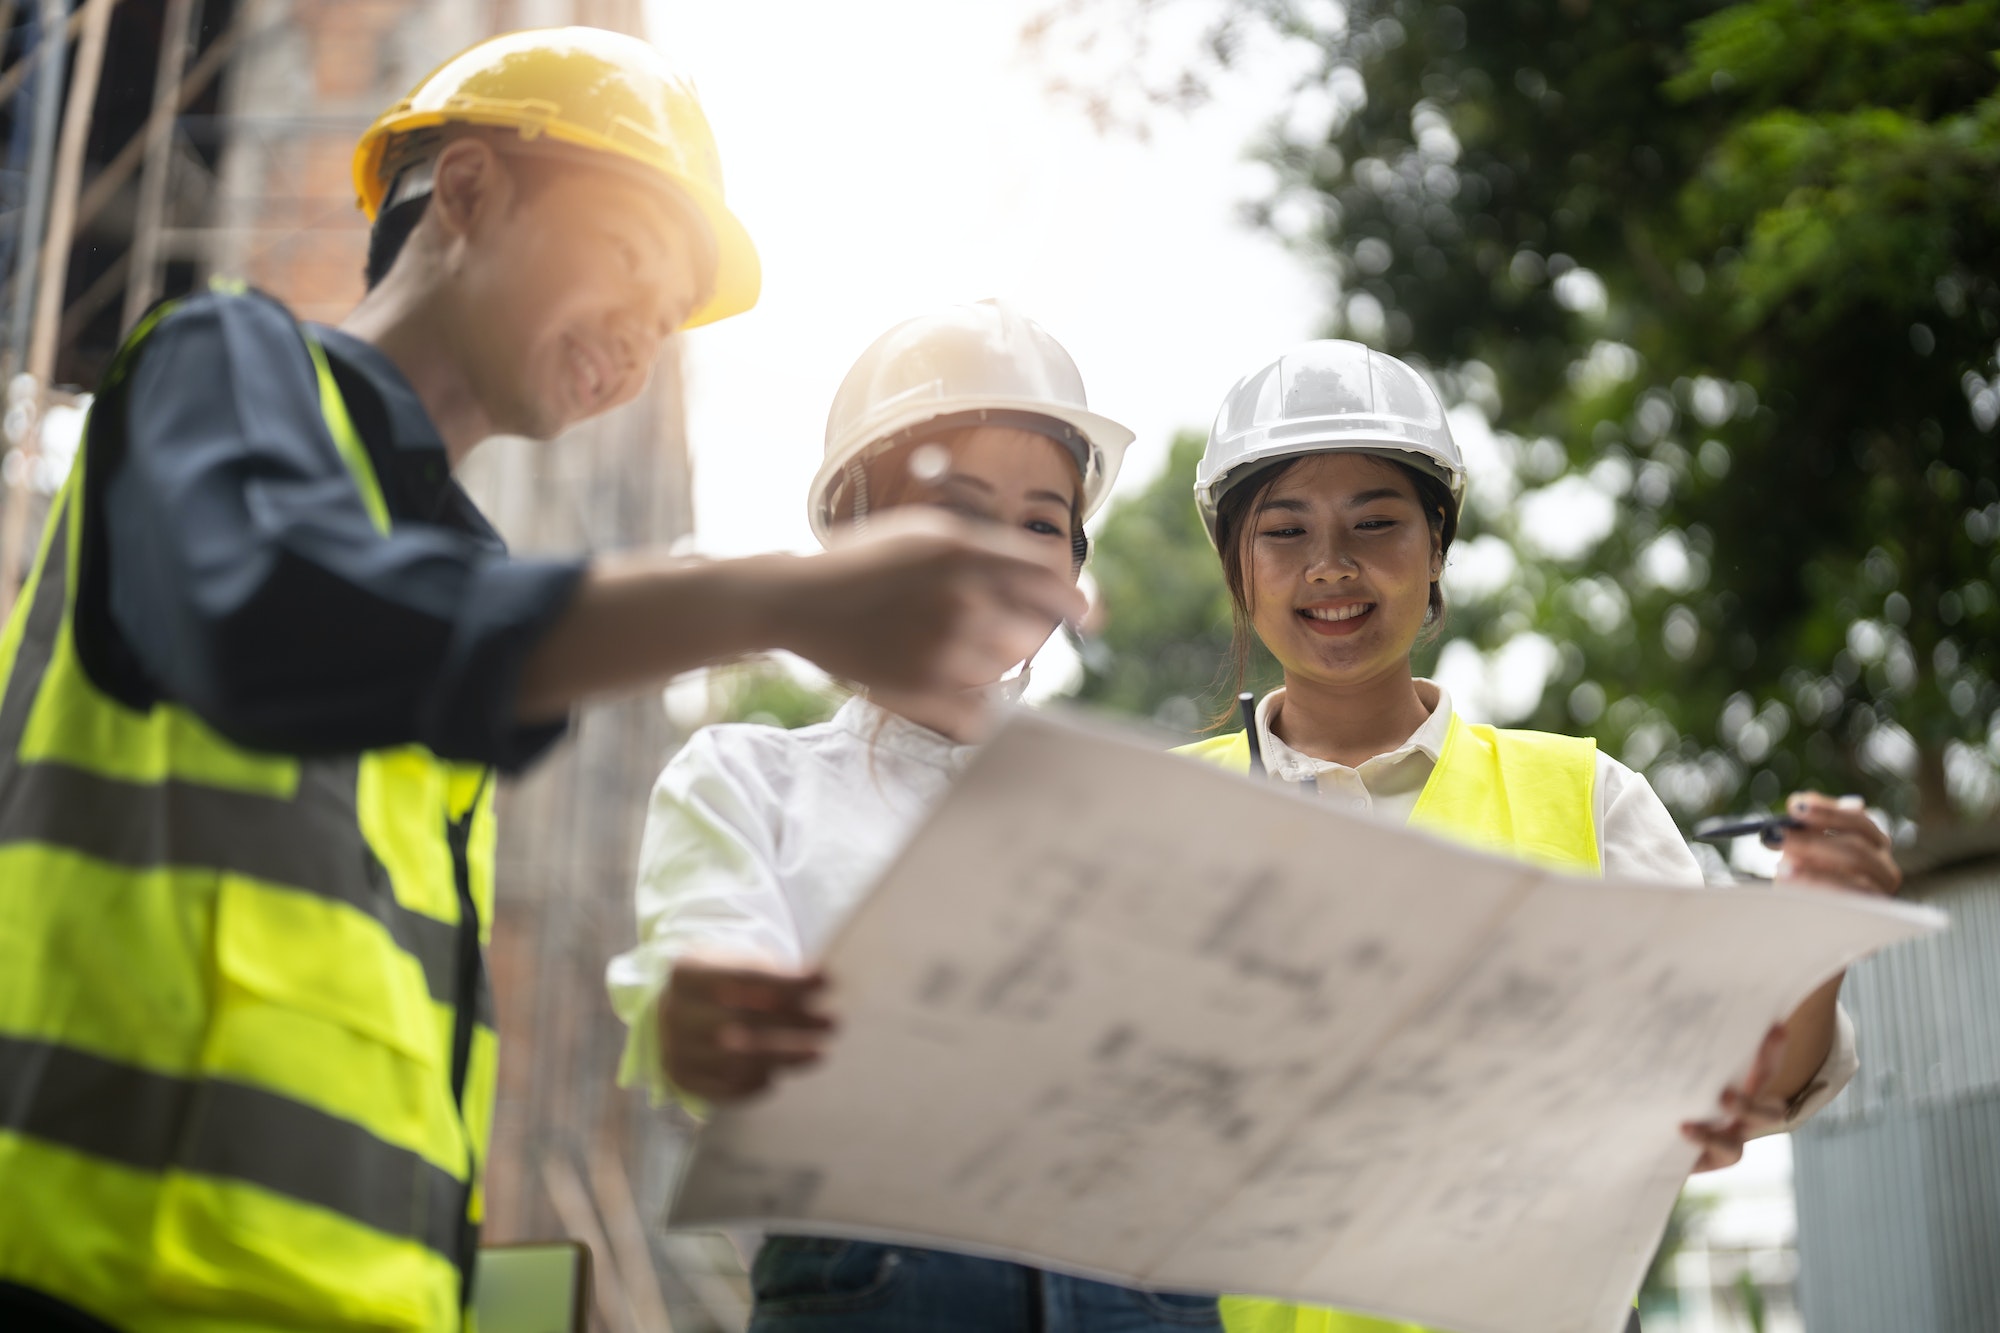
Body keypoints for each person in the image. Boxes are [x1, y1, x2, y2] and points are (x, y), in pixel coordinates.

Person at [0, 30, 1083, 1333]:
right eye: (631, 260)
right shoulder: (212, 369)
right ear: (466, 193)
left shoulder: (464, 578)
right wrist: (774, 595)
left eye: (670, 318)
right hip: (90, 1274)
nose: (640, 338)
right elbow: (272, 624)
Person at [1173, 340, 1903, 1333]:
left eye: (1375, 523)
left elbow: (1741, 1080)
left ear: (1435, 544)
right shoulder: (1158, 817)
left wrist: (1814, 942)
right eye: (1283, 530)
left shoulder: (1585, 799)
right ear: (1235, 564)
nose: (1330, 566)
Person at [608, 301, 1226, 1331]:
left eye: (1041, 521)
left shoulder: (1131, 815)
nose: (1006, 555)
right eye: (961, 509)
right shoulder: (751, 780)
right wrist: (705, 1022)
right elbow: (701, 1000)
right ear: (855, 528)